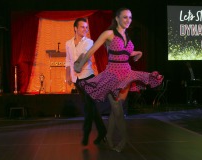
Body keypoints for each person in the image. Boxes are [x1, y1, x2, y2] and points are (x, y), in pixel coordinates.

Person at [74, 8, 164, 152]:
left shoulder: (126, 36)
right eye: (125, 17)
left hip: (127, 75)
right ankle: (124, 139)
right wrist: (80, 64)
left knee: (117, 110)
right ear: (117, 19)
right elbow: (92, 50)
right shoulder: (108, 34)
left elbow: (126, 53)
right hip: (112, 75)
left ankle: (109, 137)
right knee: (117, 109)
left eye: (130, 17)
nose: (128, 20)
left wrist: (138, 52)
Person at [65, 18, 107, 146]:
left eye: (86, 27)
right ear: (75, 28)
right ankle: (102, 131)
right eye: (82, 27)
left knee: (88, 107)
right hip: (77, 79)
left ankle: (86, 133)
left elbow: (82, 57)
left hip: (88, 77)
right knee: (91, 107)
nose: (85, 29)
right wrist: (68, 76)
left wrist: (76, 66)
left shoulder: (89, 42)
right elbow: (68, 61)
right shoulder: (68, 43)